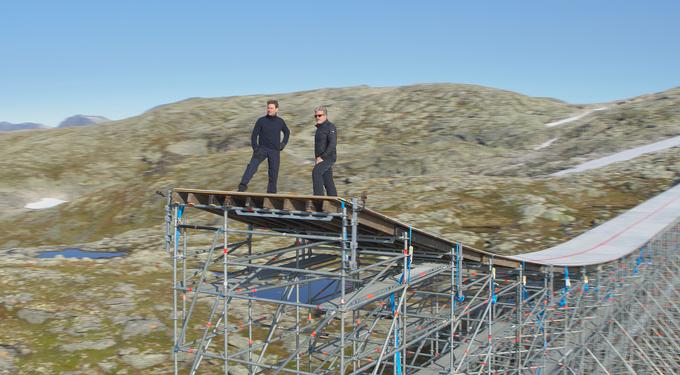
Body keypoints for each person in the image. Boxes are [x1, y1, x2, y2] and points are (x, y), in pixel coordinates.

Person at [237, 100, 290, 193]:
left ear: (276, 109)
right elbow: (254, 135)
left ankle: (271, 194)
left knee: (273, 173)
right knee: (251, 167)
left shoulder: (280, 121)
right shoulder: (261, 120)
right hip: (261, 149)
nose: (269, 110)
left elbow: (287, 132)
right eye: (268, 108)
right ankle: (241, 188)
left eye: (271, 108)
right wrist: (255, 148)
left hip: (275, 151)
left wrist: (283, 143)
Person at [312, 106, 337, 196]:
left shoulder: (330, 127)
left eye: (320, 115)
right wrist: (317, 158)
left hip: (328, 157)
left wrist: (322, 157)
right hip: (320, 158)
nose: (317, 117)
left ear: (325, 115)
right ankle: (334, 202)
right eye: (316, 116)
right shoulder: (319, 128)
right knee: (328, 181)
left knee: (316, 172)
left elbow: (333, 144)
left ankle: (319, 200)